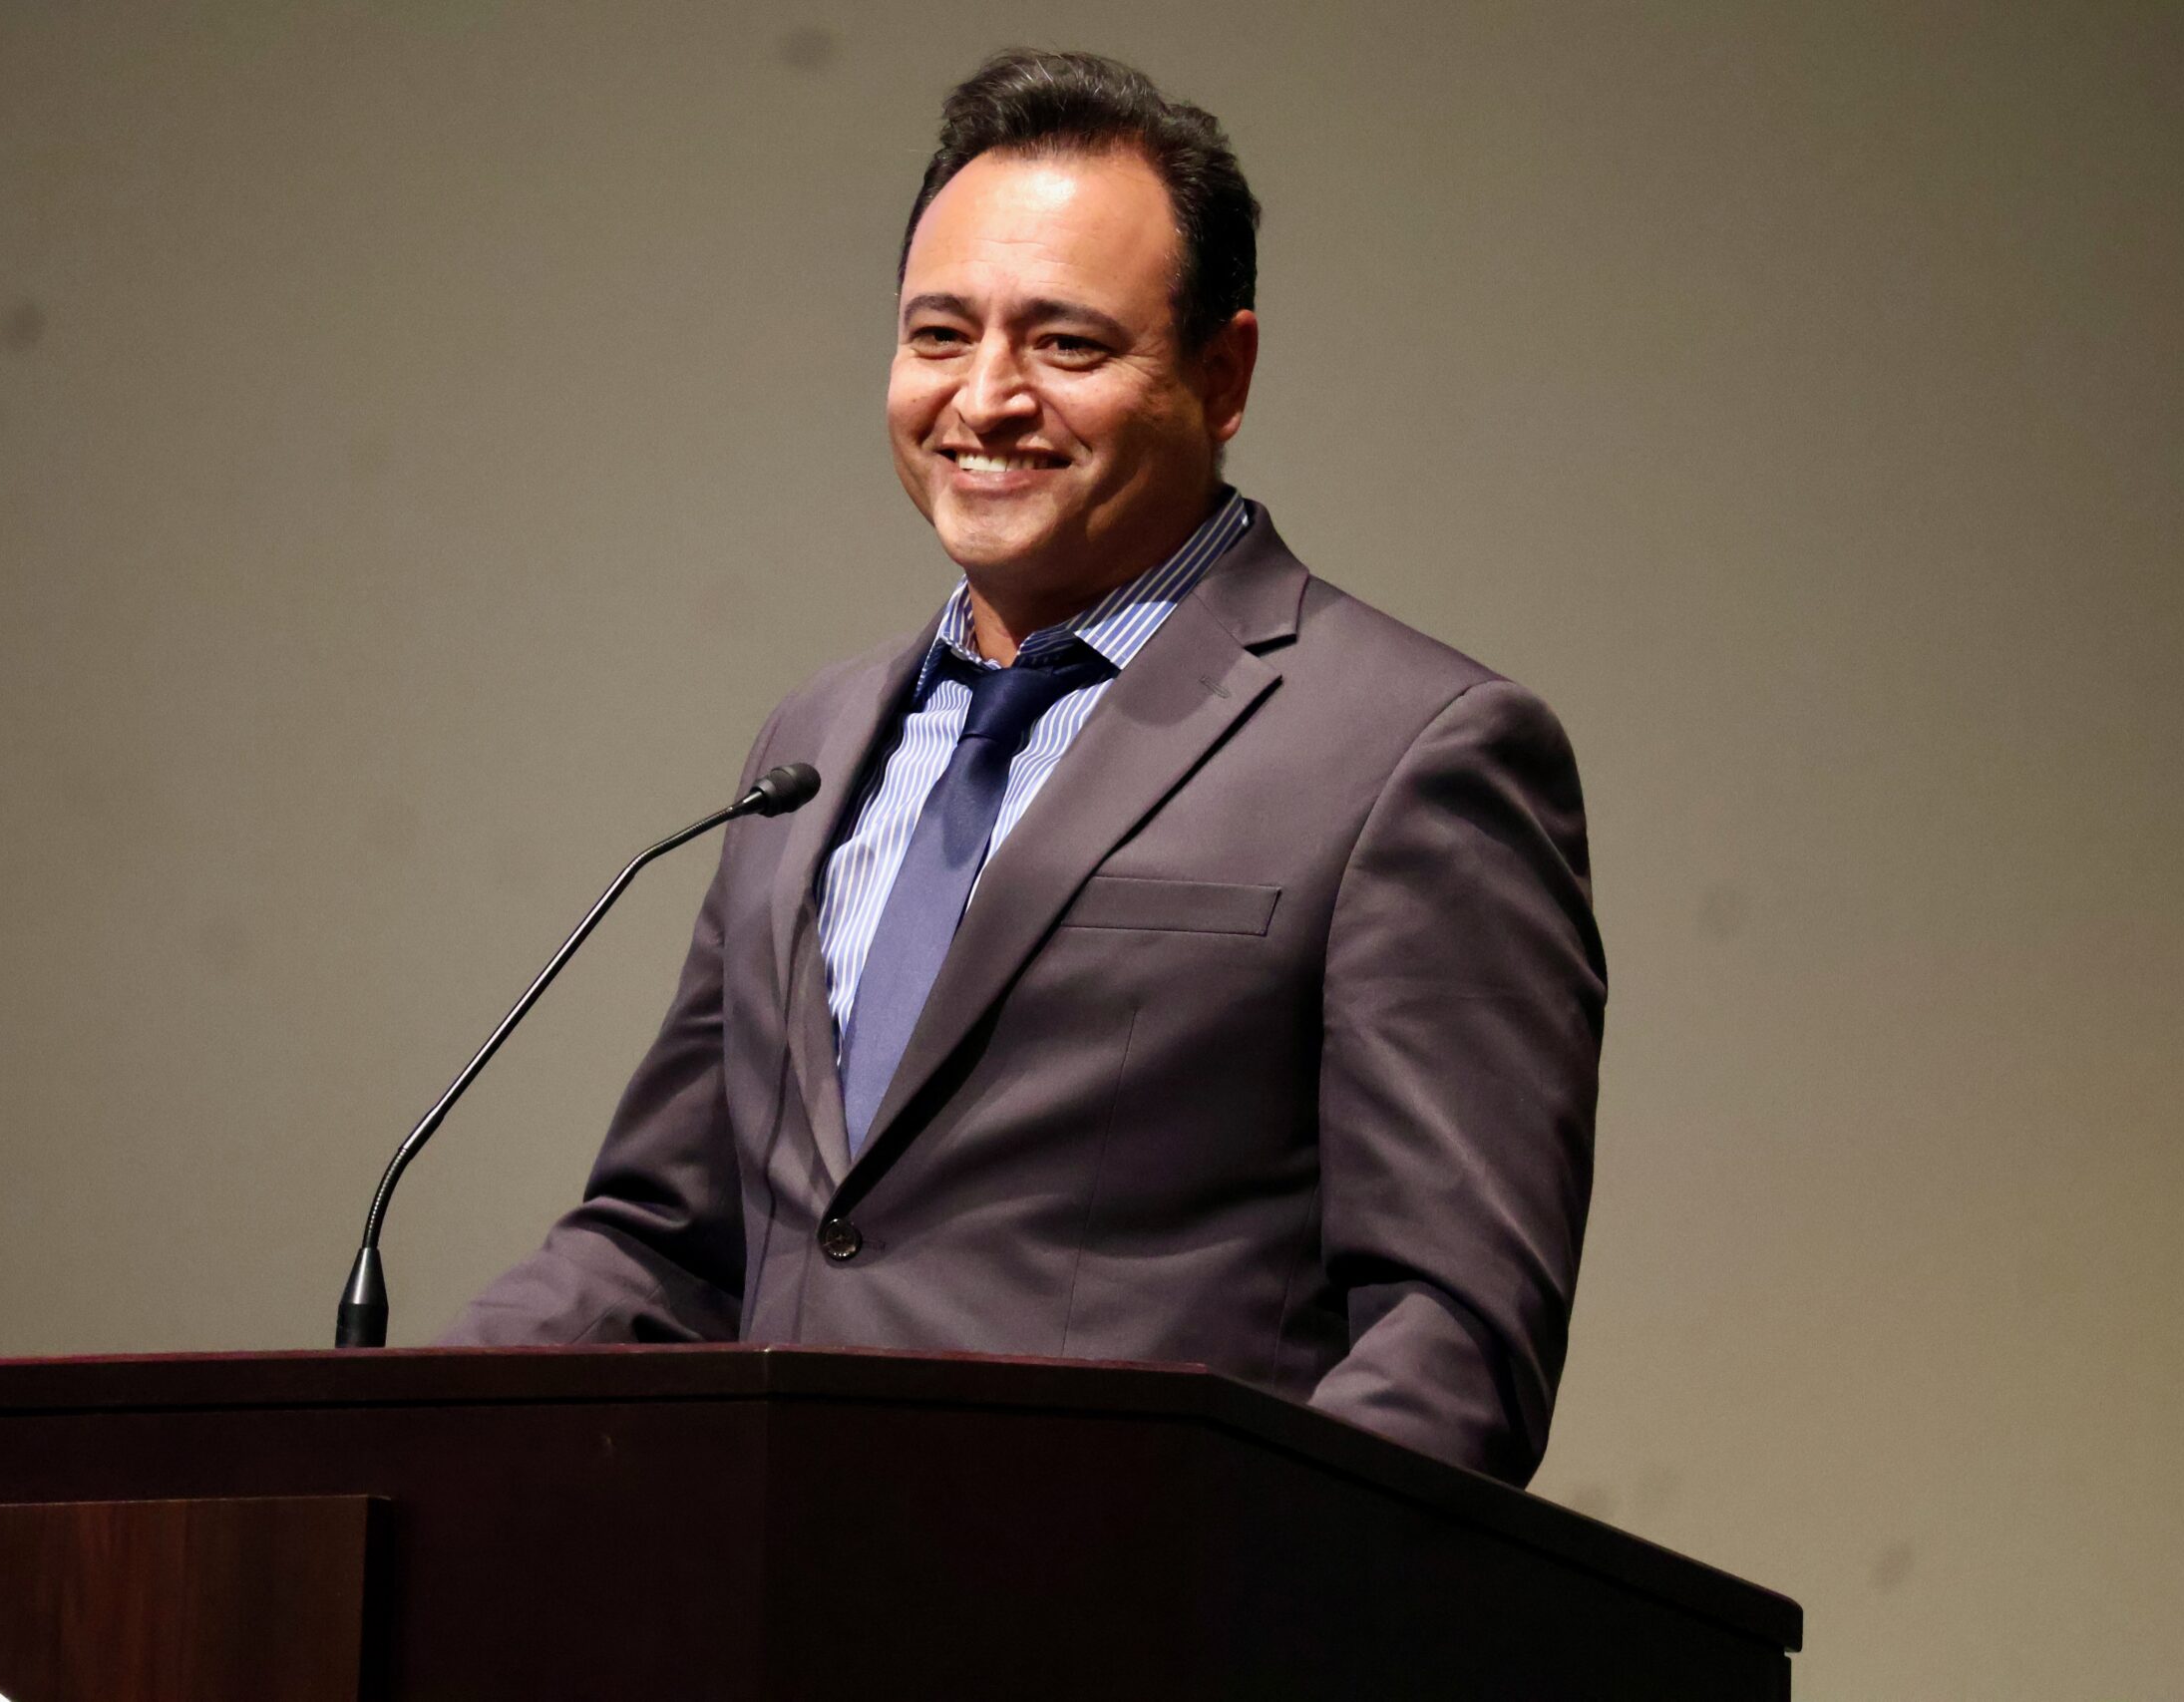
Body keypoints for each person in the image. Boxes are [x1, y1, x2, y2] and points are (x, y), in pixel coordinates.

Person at [443, 49, 1605, 1487]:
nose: (984, 399)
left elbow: (1453, 1338)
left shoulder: (1413, 753)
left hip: (1139, 1595)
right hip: (779, 1585)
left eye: (1066, 345)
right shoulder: (808, 747)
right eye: (940, 335)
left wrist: (1208, 1591)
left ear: (1222, 374)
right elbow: (666, 1244)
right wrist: (375, 1434)